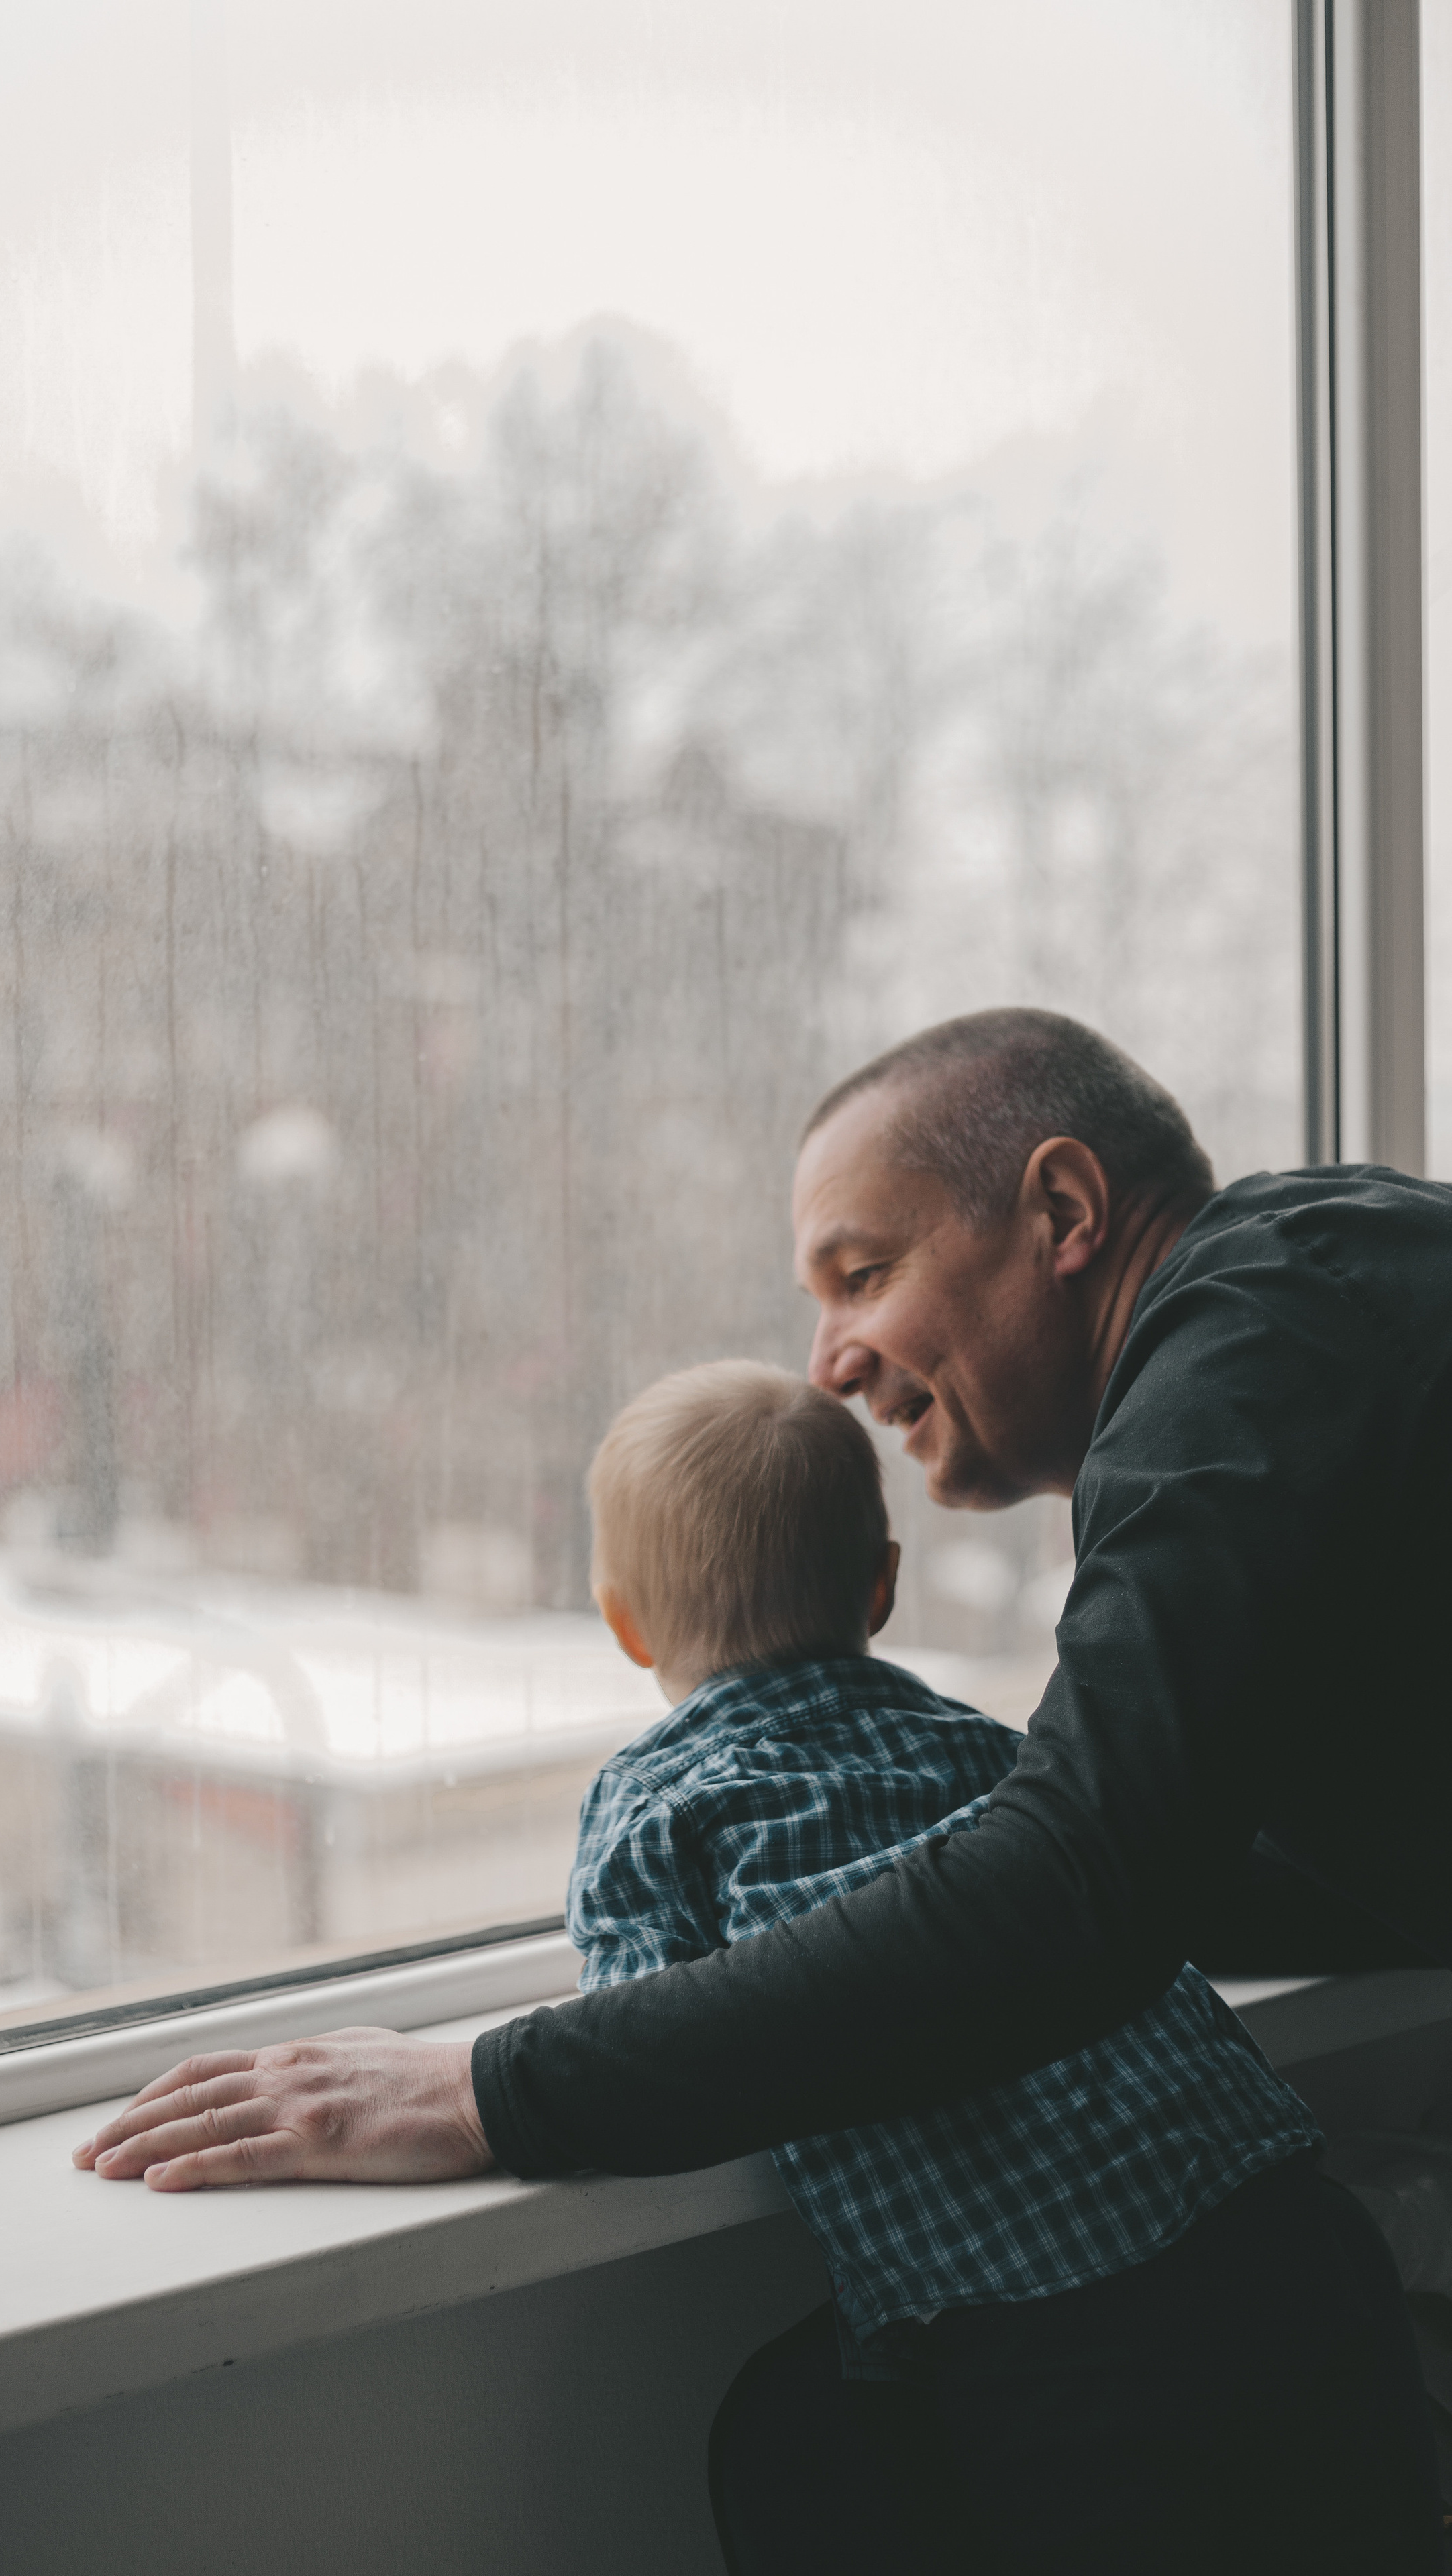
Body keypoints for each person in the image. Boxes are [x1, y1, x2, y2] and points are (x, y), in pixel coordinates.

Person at [74, 1011, 1451, 2546]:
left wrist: (490, 2086)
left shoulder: (1241, 1367)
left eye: (861, 1272)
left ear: (1063, 1212)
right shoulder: (1328, 1288)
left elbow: (1086, 1882)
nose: (828, 1361)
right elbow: (1172, 1853)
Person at [569, 1358, 1408, 2575]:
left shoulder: (656, 1806)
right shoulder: (999, 1750)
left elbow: (642, 2048)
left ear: (624, 1622)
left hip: (1050, 2335)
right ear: (882, 1584)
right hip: (1286, 2227)